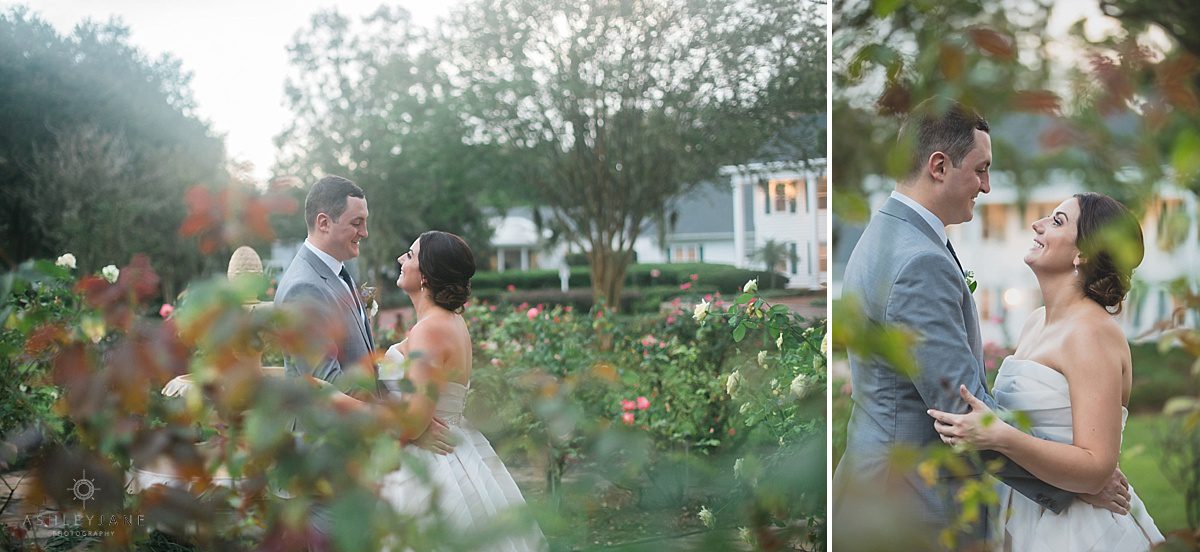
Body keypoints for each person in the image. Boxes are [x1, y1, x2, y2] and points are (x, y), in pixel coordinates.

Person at [831, 99, 1128, 547]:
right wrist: (1077, 483)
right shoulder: (919, 262)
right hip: (912, 507)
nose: (986, 186)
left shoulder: (888, 235)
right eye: (981, 170)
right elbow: (963, 411)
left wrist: (1081, 471)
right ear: (939, 166)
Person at [929, 192, 1164, 550]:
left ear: (1083, 252)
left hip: (1075, 531)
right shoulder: (1036, 321)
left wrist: (999, 436)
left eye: (1057, 221)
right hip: (1026, 509)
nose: (1037, 225)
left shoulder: (1091, 333)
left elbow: (1095, 469)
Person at [274, 176, 452, 540]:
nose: (365, 233)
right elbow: (330, 386)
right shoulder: (304, 288)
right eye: (357, 223)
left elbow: (361, 367)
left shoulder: (339, 273)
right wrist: (408, 428)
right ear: (324, 222)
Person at [378, 230, 546, 551]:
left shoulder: (430, 329)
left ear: (425, 275)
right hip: (456, 444)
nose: (401, 259)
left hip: (432, 459)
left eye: (410, 255)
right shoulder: (451, 321)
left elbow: (414, 421)